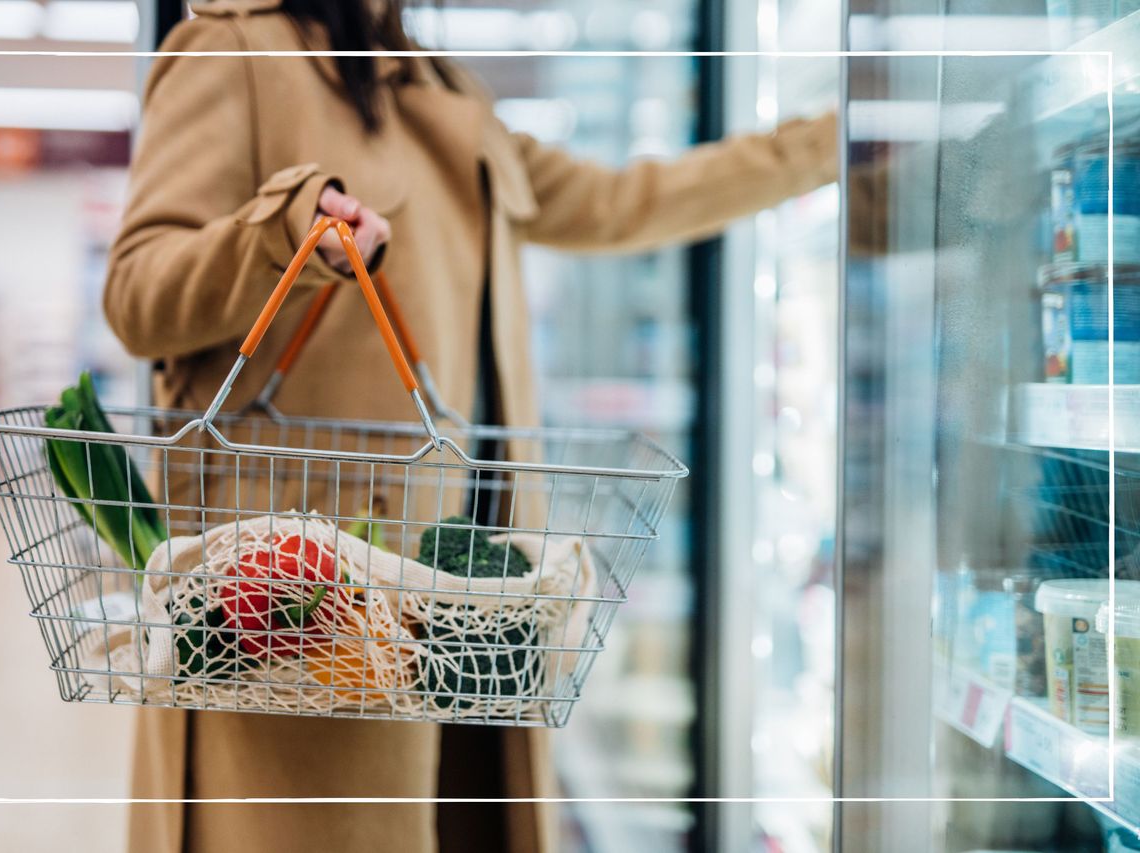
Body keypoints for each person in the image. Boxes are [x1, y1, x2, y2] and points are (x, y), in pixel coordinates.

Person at [102, 1, 837, 851]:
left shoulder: (434, 79)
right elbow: (137, 296)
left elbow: (614, 204)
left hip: (465, 601)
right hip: (298, 610)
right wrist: (281, 230)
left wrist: (824, 145)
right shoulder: (231, 52)